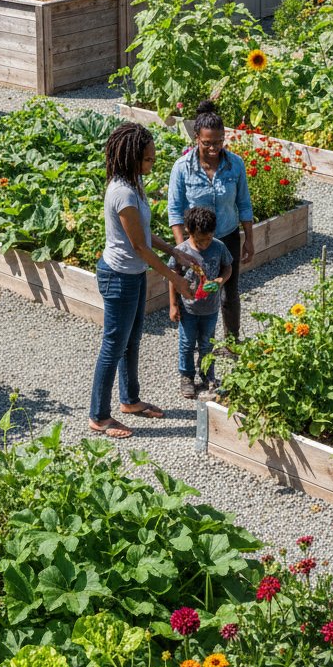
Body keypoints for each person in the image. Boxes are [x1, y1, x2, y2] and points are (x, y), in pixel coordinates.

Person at [89, 122, 196, 438]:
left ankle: (130, 400)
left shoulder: (133, 184)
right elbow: (137, 245)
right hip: (118, 277)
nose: (152, 163)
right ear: (131, 158)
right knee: (113, 345)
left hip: (131, 275)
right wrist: (174, 279)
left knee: (131, 340)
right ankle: (99, 416)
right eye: (148, 159)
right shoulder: (122, 192)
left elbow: (145, 234)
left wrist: (175, 251)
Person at [167, 100, 253, 347]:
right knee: (194, 292)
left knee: (229, 291)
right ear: (196, 138)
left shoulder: (234, 164)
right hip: (195, 242)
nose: (214, 148)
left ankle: (232, 341)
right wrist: (182, 249)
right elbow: (174, 210)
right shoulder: (182, 168)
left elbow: (244, 204)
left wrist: (249, 239)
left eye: (218, 142)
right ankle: (197, 344)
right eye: (207, 143)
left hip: (227, 235)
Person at [169, 206, 232, 400]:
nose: (205, 244)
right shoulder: (181, 251)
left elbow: (227, 268)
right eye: (200, 240)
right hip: (188, 308)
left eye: (208, 239)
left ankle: (207, 375)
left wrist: (220, 281)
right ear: (189, 230)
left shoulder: (219, 247)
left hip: (210, 309)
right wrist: (173, 304)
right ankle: (187, 376)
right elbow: (173, 277)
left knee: (207, 343)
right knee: (187, 343)